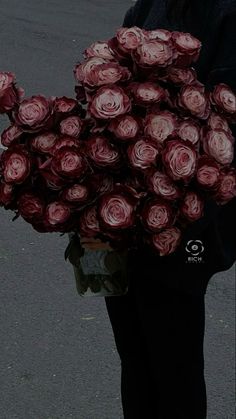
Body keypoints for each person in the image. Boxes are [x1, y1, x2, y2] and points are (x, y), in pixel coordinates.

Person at [81, 1, 236, 417]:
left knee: (174, 367)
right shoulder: (150, 3)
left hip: (186, 226)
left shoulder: (223, 12)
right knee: (135, 359)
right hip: (122, 219)